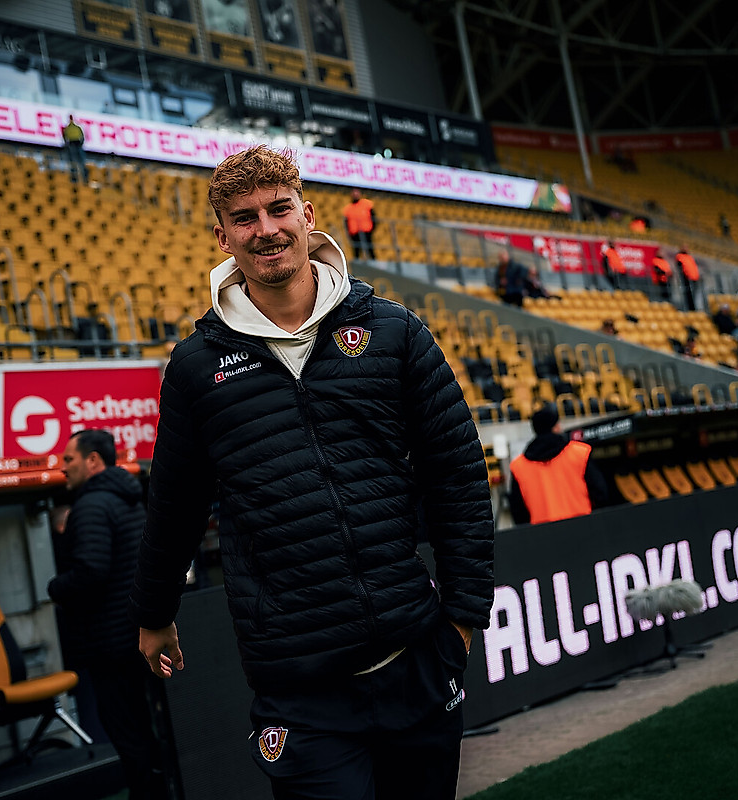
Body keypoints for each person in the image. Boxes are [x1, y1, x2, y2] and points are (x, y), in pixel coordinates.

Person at [131, 145, 494, 800]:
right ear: (222, 235)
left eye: (278, 209)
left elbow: (457, 472)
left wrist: (464, 617)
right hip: (297, 686)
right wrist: (154, 610)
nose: (265, 229)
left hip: (415, 655)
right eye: (244, 218)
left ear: (308, 214)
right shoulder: (195, 366)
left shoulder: (393, 331)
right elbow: (174, 503)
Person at [49, 429, 172, 799]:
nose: (62, 467)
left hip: (110, 644)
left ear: (93, 461)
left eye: (68, 459)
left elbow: (91, 571)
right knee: (145, 725)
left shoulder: (91, 505)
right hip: (133, 636)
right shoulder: (128, 499)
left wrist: (55, 587)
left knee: (125, 729)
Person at [508, 405, 608, 525]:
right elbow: (600, 494)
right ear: (555, 427)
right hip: (584, 526)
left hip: (543, 535)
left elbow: (518, 512)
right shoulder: (579, 453)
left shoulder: (519, 466)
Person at [341, 187, 375, 259]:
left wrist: (372, 228)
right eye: (354, 193)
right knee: (356, 251)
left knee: (370, 249)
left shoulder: (367, 204)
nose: (355, 194)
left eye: (357, 192)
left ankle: (373, 262)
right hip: (355, 233)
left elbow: (373, 217)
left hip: (367, 231)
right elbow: (346, 223)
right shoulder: (348, 208)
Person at [61, 114, 89, 184]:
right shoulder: (74, 128)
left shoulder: (68, 128)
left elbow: (65, 138)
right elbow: (82, 137)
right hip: (75, 144)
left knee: (76, 162)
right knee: (78, 162)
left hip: (74, 145)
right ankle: (79, 177)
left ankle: (77, 177)